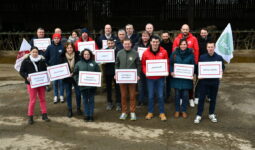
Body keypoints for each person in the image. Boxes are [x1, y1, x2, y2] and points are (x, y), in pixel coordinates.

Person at [194, 42, 225, 124]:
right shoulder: (202, 57)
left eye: (212, 47)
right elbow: (198, 69)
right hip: (204, 82)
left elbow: (222, 68)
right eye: (209, 47)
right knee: (201, 98)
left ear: (214, 47)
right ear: (207, 48)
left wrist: (221, 72)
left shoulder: (219, 57)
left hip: (214, 81)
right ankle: (199, 114)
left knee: (213, 98)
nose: (210, 48)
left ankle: (211, 114)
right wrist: (199, 75)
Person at [19, 46, 50, 125]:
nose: (35, 53)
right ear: (30, 52)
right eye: (33, 52)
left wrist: (47, 76)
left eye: (36, 52)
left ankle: (44, 114)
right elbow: (21, 71)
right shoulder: (26, 61)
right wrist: (26, 77)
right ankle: (30, 116)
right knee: (32, 100)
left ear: (38, 52)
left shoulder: (42, 60)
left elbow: (46, 70)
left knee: (42, 98)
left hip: (41, 83)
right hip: (31, 83)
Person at [142, 36, 169, 121]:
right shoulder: (145, 53)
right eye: (153, 42)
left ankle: (161, 112)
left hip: (160, 78)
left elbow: (167, 63)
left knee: (160, 96)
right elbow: (143, 64)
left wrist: (166, 71)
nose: (155, 43)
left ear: (159, 42)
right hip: (150, 78)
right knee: (150, 96)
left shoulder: (164, 52)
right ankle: (150, 112)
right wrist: (146, 72)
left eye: (157, 42)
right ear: (150, 42)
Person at [172, 24, 199, 107]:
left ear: (189, 30)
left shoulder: (193, 38)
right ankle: (180, 98)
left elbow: (196, 51)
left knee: (190, 82)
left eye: (186, 29)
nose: (185, 31)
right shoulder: (177, 39)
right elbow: (174, 51)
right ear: (181, 30)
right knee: (180, 82)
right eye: (183, 29)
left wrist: (195, 64)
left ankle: (190, 98)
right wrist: (175, 66)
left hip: (189, 65)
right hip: (179, 66)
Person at [115, 38, 140, 121]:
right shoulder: (119, 53)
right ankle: (124, 112)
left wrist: (138, 75)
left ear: (131, 44)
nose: (127, 45)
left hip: (132, 79)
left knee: (132, 96)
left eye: (128, 44)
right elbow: (116, 65)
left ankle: (132, 112)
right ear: (123, 44)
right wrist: (116, 74)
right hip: (122, 78)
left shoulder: (135, 53)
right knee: (123, 95)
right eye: (125, 44)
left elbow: (138, 65)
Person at [74, 49, 100, 122]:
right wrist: (78, 81)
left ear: (90, 55)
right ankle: (86, 115)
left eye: (88, 54)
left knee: (91, 100)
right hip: (83, 86)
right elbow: (75, 74)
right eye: (85, 54)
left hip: (92, 87)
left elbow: (98, 74)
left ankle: (91, 115)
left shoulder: (94, 64)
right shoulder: (78, 63)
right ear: (82, 55)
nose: (86, 56)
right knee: (85, 100)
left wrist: (96, 83)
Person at [170, 39, 194, 118]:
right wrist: (172, 71)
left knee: (185, 95)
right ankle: (177, 110)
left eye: (185, 44)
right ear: (179, 45)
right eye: (182, 44)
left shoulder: (191, 54)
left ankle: (183, 110)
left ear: (187, 45)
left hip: (186, 79)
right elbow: (170, 64)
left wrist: (192, 73)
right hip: (177, 78)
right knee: (177, 94)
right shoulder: (174, 54)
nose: (183, 46)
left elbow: (193, 65)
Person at [60, 42, 81, 118]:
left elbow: (80, 66)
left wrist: (74, 73)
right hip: (66, 78)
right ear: (66, 49)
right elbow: (60, 68)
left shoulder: (78, 56)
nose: (69, 49)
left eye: (71, 48)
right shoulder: (62, 57)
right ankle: (70, 110)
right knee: (68, 94)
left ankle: (78, 108)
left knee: (78, 94)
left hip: (76, 77)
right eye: (68, 48)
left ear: (73, 48)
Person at [45, 33, 65, 104]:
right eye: (55, 38)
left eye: (58, 38)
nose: (56, 39)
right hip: (53, 68)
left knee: (61, 83)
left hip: (60, 69)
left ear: (60, 39)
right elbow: (46, 56)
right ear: (53, 39)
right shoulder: (49, 47)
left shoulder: (62, 47)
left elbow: (64, 57)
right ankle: (56, 96)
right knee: (54, 83)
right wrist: (48, 64)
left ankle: (61, 95)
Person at [194, 28, 212, 104]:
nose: (203, 34)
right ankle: (197, 97)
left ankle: (208, 96)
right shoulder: (197, 41)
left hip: (208, 63)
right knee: (199, 81)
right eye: (202, 33)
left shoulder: (210, 41)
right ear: (200, 34)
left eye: (205, 33)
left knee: (208, 81)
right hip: (200, 63)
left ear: (207, 33)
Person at [133, 31, 151, 106]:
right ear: (141, 37)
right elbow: (133, 53)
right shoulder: (137, 44)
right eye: (144, 36)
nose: (145, 37)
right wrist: (136, 53)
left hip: (149, 67)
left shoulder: (151, 44)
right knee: (140, 85)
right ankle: (140, 100)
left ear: (149, 37)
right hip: (140, 67)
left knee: (148, 85)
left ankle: (147, 100)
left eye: (146, 36)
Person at [104, 38, 121, 111]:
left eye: (111, 43)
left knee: (117, 88)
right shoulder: (104, 51)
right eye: (109, 43)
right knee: (108, 88)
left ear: (114, 43)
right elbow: (100, 61)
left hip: (116, 72)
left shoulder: (118, 51)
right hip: (107, 72)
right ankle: (109, 102)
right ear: (107, 44)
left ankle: (118, 103)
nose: (110, 45)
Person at [160, 31, 173, 103]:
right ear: (162, 37)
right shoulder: (160, 44)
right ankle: (162, 96)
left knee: (168, 82)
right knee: (162, 82)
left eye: (166, 36)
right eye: (163, 36)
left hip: (169, 64)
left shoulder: (172, 44)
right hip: (161, 65)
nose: (165, 38)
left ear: (168, 36)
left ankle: (168, 96)